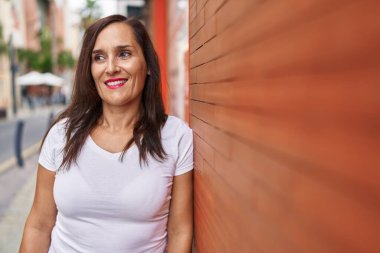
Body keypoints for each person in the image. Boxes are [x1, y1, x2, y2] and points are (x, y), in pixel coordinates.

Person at [20, 15, 193, 253]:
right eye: (99, 57)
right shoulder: (62, 134)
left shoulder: (176, 137)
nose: (111, 68)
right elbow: (39, 225)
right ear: (90, 70)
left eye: (124, 54)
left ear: (148, 66)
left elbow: (180, 231)